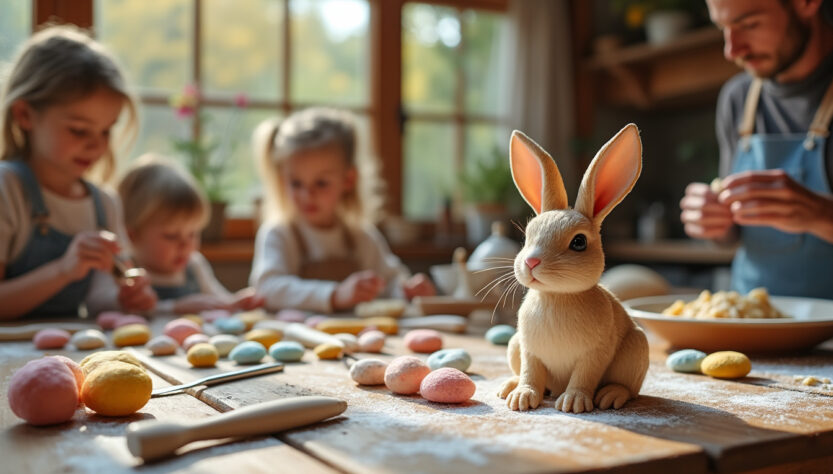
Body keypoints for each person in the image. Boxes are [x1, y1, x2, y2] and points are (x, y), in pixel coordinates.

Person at [0, 25, 156, 319]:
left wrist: (128, 298)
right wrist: (62, 271)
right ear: (24, 115)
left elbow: (101, 299)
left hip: (68, 356)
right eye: (79, 130)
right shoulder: (7, 188)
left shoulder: (105, 205)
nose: (96, 145)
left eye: (106, 130)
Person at [680, 0, 833, 298]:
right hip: (752, 323)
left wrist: (821, 215)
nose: (732, 50)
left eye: (749, 24)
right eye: (723, 28)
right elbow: (732, 235)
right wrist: (714, 222)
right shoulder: (737, 98)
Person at [250, 107, 436, 313]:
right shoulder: (279, 235)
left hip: (355, 340)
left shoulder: (361, 236)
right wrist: (335, 295)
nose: (307, 195)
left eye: (321, 183)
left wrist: (407, 291)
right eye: (296, 183)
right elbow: (267, 289)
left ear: (348, 180)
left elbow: (390, 281)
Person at [118, 156, 264, 314]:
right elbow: (118, 309)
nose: (186, 245)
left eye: (193, 233)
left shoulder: (194, 266)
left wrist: (237, 302)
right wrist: (175, 308)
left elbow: (220, 300)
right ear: (132, 235)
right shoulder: (126, 272)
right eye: (171, 236)